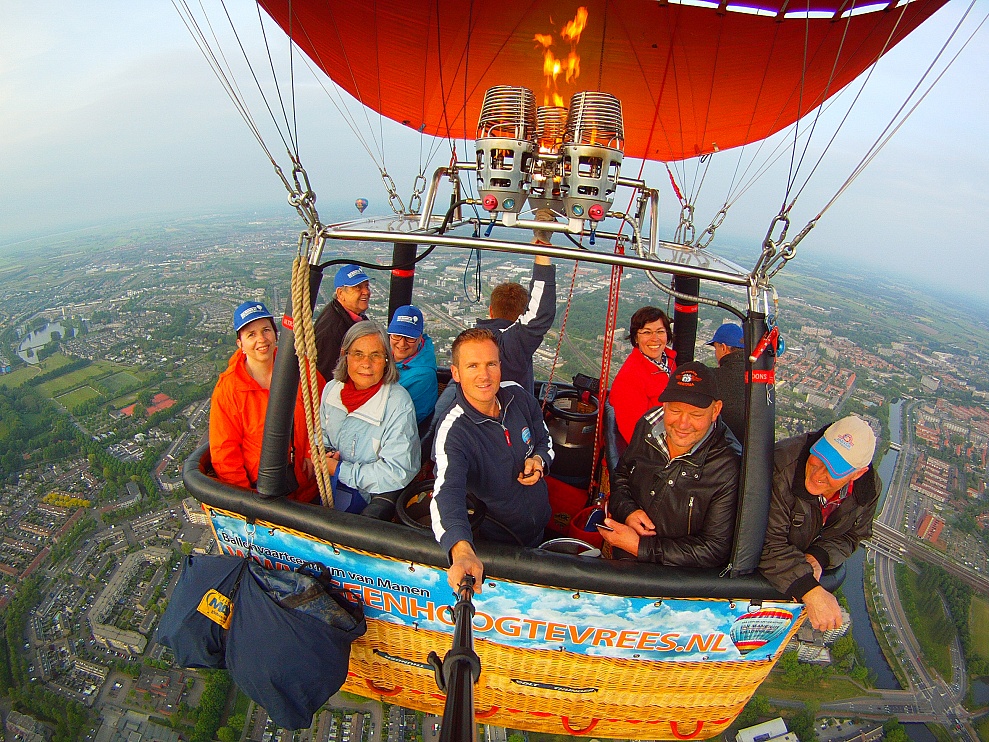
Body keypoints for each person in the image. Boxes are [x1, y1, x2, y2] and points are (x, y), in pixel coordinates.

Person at [431, 328, 554, 591]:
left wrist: (539, 459)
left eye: (491, 364)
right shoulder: (454, 431)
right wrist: (461, 550)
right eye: (472, 366)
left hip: (540, 527)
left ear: (500, 366)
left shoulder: (518, 396)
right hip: (499, 546)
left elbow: (544, 437)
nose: (484, 375)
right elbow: (447, 492)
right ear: (456, 373)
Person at [599, 362, 740, 567]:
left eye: (695, 415)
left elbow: (713, 549)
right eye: (675, 410)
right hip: (625, 556)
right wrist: (628, 511)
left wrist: (641, 547)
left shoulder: (728, 466)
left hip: (673, 576)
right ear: (664, 405)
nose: (683, 424)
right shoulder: (649, 425)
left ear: (715, 410)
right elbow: (622, 475)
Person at [759, 415, 879, 631]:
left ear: (858, 474)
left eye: (835, 469)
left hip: (786, 570)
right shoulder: (781, 466)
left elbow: (853, 535)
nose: (818, 473)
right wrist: (809, 589)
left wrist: (819, 556)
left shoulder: (867, 491)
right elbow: (761, 541)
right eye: (819, 458)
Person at [209, 301, 316, 501]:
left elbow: (324, 410)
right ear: (240, 344)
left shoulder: (299, 367)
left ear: (275, 334)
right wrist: (249, 503)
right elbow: (225, 454)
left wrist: (313, 449)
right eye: (251, 334)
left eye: (266, 330)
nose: (261, 339)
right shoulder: (229, 390)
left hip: (308, 488)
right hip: (264, 497)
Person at [319, 321, 420, 515]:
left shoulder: (397, 403)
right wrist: (324, 453)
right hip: (325, 484)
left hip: (366, 499)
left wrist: (340, 470)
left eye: (375, 355)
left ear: (387, 360)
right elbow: (320, 434)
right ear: (345, 356)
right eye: (358, 354)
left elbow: (397, 471)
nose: (366, 363)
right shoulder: (332, 390)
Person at [476, 254, 556, 394]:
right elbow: (540, 314)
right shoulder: (511, 346)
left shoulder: (470, 339)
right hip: (514, 407)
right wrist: (542, 253)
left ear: (491, 310)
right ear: (523, 314)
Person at [609, 306, 677, 443]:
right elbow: (635, 435)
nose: (655, 339)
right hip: (655, 445)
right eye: (647, 332)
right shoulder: (629, 379)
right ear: (636, 337)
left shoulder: (670, 361)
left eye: (660, 331)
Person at [313, 264, 371, 380]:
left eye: (366, 286)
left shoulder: (348, 314)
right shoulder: (331, 331)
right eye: (358, 287)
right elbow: (326, 376)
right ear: (340, 293)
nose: (366, 291)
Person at [388, 304, 438, 435]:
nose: (402, 343)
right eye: (397, 335)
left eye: (409, 338)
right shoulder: (385, 355)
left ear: (420, 338)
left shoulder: (423, 376)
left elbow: (403, 422)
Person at [707, 322, 746, 445]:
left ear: (723, 348)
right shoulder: (758, 378)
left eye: (716, 348)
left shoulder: (712, 377)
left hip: (723, 449)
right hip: (751, 450)